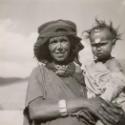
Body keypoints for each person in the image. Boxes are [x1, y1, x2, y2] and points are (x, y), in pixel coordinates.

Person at [23, 19, 124, 125]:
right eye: (53, 42)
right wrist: (84, 103)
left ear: (71, 45)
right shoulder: (40, 73)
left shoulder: (85, 74)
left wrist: (117, 116)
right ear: (46, 47)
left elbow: (109, 99)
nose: (59, 47)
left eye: (63, 40)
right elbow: (36, 110)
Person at [82, 19, 125, 125]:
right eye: (94, 45)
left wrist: (102, 100)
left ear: (113, 43)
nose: (98, 48)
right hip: (97, 103)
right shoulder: (90, 65)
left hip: (115, 102)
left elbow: (118, 83)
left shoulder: (113, 63)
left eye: (103, 44)